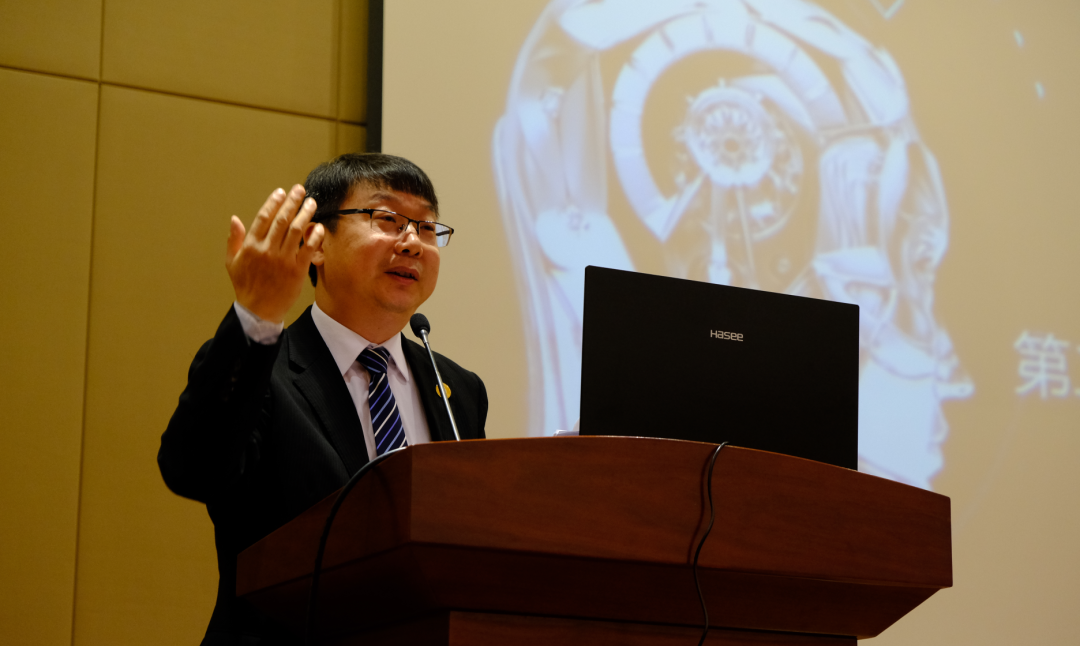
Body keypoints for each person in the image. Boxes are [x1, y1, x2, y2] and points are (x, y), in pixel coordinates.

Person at [158, 153, 488, 645]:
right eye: (387, 219)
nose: (412, 242)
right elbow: (193, 469)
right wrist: (255, 316)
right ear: (316, 242)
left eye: (426, 227)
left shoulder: (459, 389)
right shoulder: (261, 368)